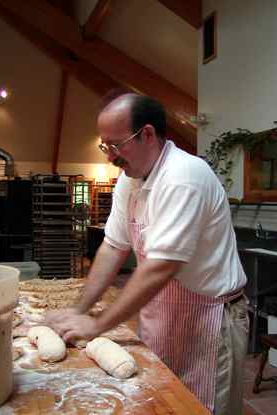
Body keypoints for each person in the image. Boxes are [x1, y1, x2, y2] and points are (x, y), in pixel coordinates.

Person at [46, 93, 249, 414]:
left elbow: (160, 267)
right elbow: (113, 246)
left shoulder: (184, 177)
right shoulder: (131, 179)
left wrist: (96, 325)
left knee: (201, 407)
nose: (110, 156)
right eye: (105, 146)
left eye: (117, 145)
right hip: (163, 311)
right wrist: (78, 310)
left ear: (148, 134)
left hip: (208, 320)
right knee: (162, 401)